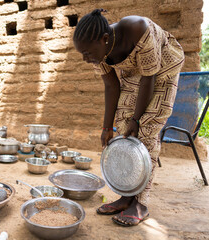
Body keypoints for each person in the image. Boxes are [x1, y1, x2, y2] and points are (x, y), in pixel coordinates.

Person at [73, 9, 184, 226]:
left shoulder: (137, 29)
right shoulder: (101, 51)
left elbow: (149, 78)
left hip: (162, 70)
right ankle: (127, 196)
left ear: (105, 39)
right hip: (135, 72)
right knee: (124, 128)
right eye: (82, 54)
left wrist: (137, 119)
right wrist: (107, 128)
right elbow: (111, 85)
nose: (86, 60)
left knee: (146, 131)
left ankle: (141, 203)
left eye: (86, 53)